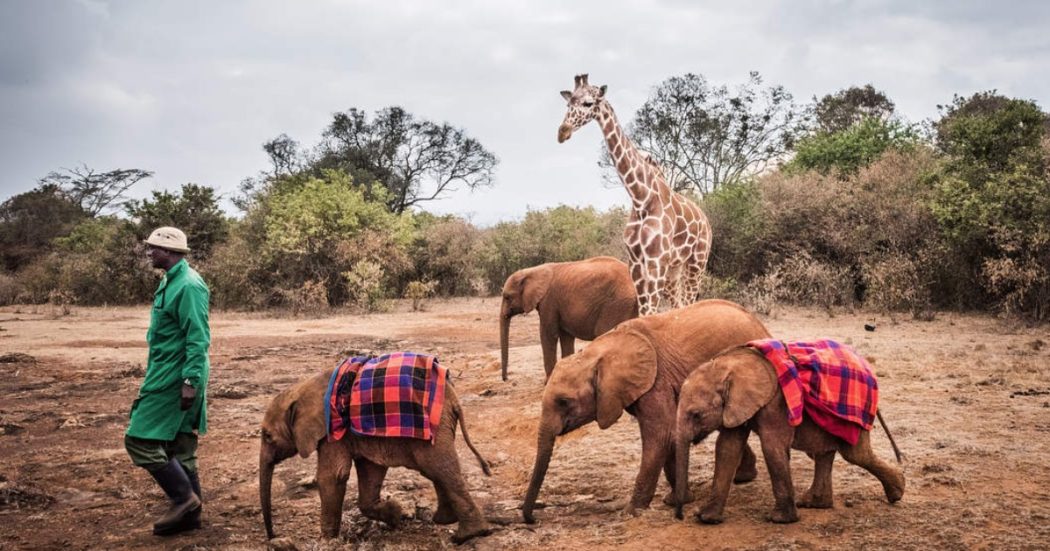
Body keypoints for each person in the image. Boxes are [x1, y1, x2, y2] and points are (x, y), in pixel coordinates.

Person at [124, 226, 210, 536]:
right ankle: (191, 517)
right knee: (180, 443)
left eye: (154, 248)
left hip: (176, 375)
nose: (149, 252)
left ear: (171, 251)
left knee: (139, 439)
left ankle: (184, 499)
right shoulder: (170, 281)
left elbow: (198, 338)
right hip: (168, 370)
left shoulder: (189, 285)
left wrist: (190, 381)